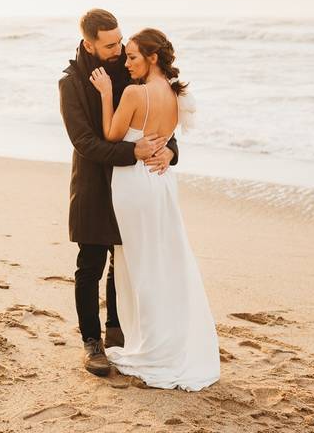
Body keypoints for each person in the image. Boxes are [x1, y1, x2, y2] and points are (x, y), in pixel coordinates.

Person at [89, 27, 220, 391]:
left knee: (139, 265)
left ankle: (150, 347)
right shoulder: (177, 95)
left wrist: (105, 95)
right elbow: (168, 141)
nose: (126, 63)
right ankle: (165, 339)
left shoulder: (133, 93)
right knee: (163, 261)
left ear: (152, 57)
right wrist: (170, 152)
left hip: (133, 182)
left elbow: (111, 136)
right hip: (161, 182)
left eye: (132, 57)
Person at [58, 9, 179, 377]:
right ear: (89, 43)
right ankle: (92, 342)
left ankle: (118, 330)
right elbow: (84, 143)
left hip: (132, 186)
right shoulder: (71, 83)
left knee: (123, 264)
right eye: (110, 45)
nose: (119, 49)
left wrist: (172, 150)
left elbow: (155, 113)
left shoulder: (126, 66)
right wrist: (132, 152)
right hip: (95, 184)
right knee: (90, 263)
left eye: (120, 41)